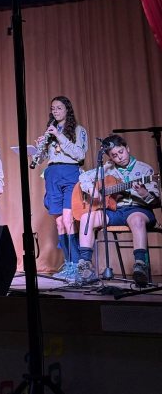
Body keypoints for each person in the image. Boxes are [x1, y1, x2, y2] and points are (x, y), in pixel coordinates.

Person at [76, 134, 159, 286]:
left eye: (121, 152)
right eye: (114, 155)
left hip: (138, 210)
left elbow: (156, 201)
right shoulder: (108, 169)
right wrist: (91, 190)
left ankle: (140, 265)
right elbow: (83, 178)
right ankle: (85, 265)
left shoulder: (145, 169)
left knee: (136, 219)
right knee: (87, 218)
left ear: (127, 149)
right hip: (116, 211)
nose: (119, 157)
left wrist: (143, 193)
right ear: (110, 157)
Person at [33, 96, 88, 281]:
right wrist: (39, 147)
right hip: (53, 174)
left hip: (70, 174)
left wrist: (59, 135)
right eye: (53, 108)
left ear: (67, 110)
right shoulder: (50, 131)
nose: (55, 111)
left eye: (59, 108)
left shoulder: (78, 130)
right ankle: (68, 263)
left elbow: (79, 154)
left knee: (67, 219)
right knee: (59, 223)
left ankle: (77, 263)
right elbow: (41, 159)